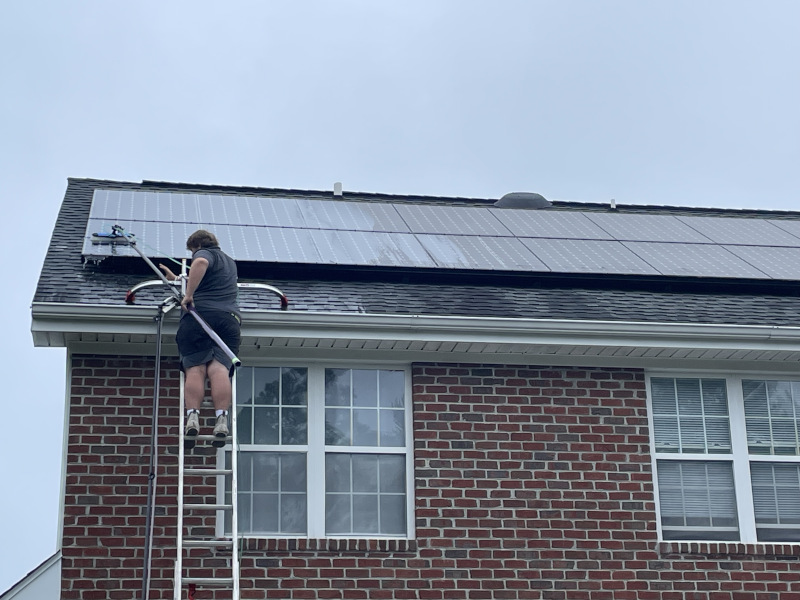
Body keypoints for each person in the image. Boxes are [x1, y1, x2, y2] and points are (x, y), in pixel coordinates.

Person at [159, 230, 241, 450]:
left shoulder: (204, 253)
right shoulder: (230, 263)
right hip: (228, 320)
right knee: (219, 370)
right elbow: (208, 277)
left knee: (195, 369)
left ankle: (192, 418)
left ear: (196, 245)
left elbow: (202, 262)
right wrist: (177, 279)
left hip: (200, 317)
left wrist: (188, 295)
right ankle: (221, 420)